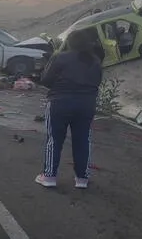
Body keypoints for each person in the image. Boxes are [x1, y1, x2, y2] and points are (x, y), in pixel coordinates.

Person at [35, 30, 103, 189]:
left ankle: (49, 176)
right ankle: (82, 179)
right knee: (82, 140)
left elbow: (45, 80)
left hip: (60, 103)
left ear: (70, 42)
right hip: (86, 105)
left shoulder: (60, 57)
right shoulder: (95, 60)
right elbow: (97, 82)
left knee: (55, 139)